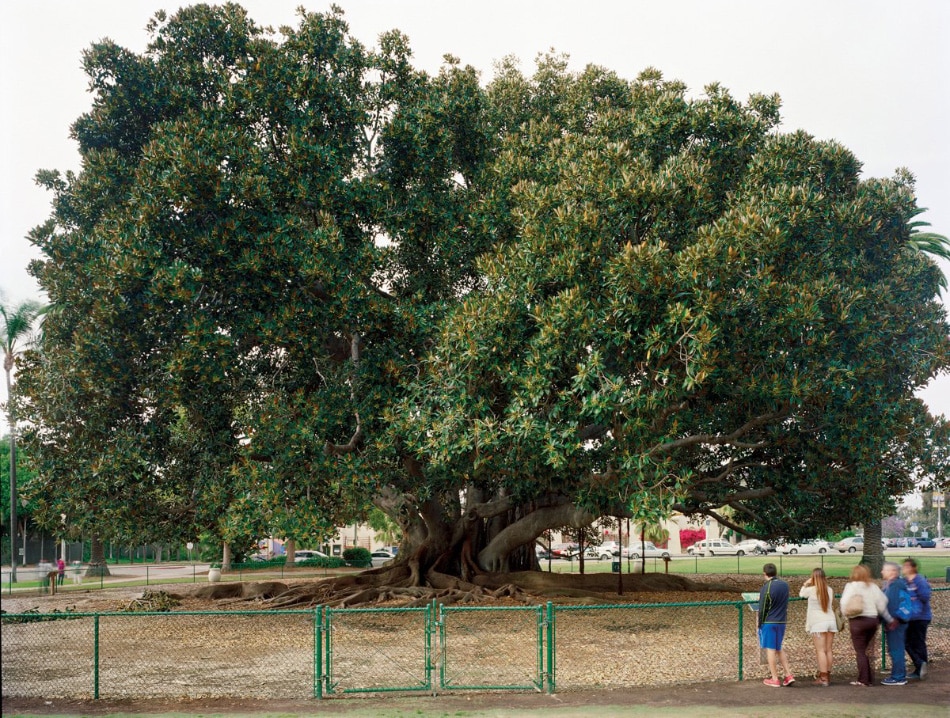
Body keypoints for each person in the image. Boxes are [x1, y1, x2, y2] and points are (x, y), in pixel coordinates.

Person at [840, 564, 895, 686]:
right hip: (872, 621)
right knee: (869, 650)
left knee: (860, 651)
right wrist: (889, 619)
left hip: (857, 621)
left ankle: (863, 679)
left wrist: (845, 616)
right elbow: (882, 603)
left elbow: (843, 604)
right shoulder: (873, 586)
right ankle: (870, 678)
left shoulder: (850, 586)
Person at [758, 563, 794, 687]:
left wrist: (760, 623)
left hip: (769, 621)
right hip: (781, 620)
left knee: (771, 649)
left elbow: (763, 607)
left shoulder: (766, 587)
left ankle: (775, 678)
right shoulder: (784, 585)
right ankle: (788, 674)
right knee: (779, 648)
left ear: (764, 573)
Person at [799, 567, 837, 686]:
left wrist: (806, 583)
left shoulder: (811, 590)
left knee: (820, 651)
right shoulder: (829, 589)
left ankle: (823, 677)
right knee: (828, 650)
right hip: (831, 620)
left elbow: (801, 594)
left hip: (818, 622)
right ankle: (827, 675)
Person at [901, 558, 932, 680]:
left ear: (913, 567)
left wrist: (913, 600)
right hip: (908, 616)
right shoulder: (904, 581)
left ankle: (921, 668)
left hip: (920, 617)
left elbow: (925, 596)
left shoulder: (919, 580)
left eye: (907, 566)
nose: (904, 568)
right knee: (906, 642)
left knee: (918, 642)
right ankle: (920, 664)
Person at [880, 561, 908, 685]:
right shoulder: (890, 584)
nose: (882, 572)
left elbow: (896, 604)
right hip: (893, 621)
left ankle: (898, 677)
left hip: (895, 623)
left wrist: (894, 619)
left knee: (896, 649)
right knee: (895, 649)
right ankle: (898, 674)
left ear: (893, 572)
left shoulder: (896, 585)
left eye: (885, 570)